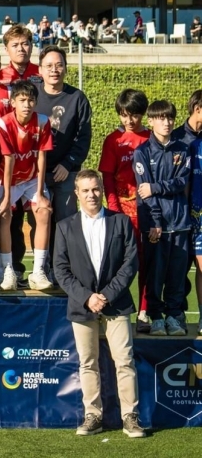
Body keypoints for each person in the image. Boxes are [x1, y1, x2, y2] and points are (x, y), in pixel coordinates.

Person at [53, 169, 146, 439]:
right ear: (77, 194)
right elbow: (61, 270)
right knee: (87, 363)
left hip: (116, 304)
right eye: (85, 190)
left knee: (124, 361)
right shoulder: (65, 226)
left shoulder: (121, 222)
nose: (91, 195)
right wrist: (87, 297)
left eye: (95, 189)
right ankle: (93, 416)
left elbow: (130, 264)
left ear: (102, 190)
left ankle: (130, 417)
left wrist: (106, 295)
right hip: (82, 306)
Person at [134, 100, 190, 337]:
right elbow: (143, 192)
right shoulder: (142, 152)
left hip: (180, 223)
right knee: (155, 275)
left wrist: (156, 187)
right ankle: (156, 317)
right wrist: (155, 222)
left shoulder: (182, 149)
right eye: (161, 118)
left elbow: (181, 182)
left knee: (177, 275)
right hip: (155, 225)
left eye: (170, 118)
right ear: (151, 121)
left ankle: (173, 317)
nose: (166, 122)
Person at [35, 46, 92, 275]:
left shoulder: (77, 98)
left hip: (65, 173)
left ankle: (65, 271)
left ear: (66, 69)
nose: (54, 70)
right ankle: (39, 269)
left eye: (59, 65)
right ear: (40, 70)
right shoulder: (31, 95)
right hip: (34, 174)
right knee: (39, 220)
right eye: (49, 66)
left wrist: (68, 164)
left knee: (66, 223)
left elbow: (83, 137)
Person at [98, 90, 150, 332]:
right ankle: (115, 311)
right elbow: (107, 179)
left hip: (149, 213)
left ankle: (144, 313)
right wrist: (115, 211)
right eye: (124, 115)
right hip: (122, 213)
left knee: (146, 263)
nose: (129, 120)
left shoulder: (152, 137)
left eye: (134, 115)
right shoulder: (113, 140)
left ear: (143, 114)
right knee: (119, 264)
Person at [0, 81, 53, 291]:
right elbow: (8, 159)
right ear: (13, 102)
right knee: (4, 215)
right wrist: (7, 197)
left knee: (44, 211)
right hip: (8, 178)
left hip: (31, 178)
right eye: (22, 100)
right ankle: (7, 269)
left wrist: (40, 192)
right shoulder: (4, 124)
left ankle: (38, 271)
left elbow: (41, 157)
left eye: (31, 100)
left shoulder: (43, 121)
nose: (27, 105)